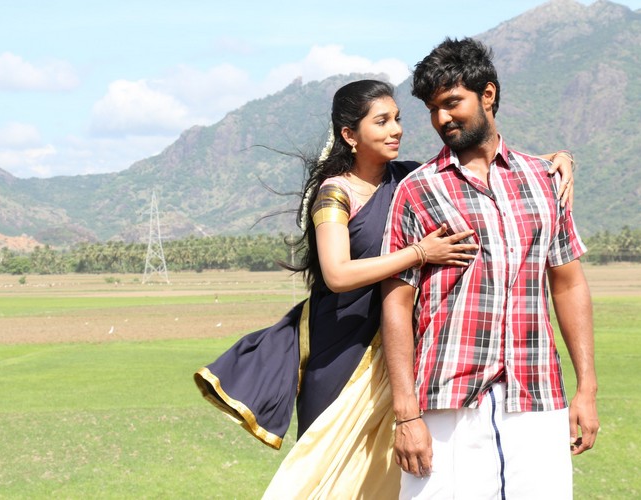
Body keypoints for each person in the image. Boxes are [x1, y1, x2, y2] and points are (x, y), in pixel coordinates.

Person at [194, 79, 575, 498]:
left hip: (401, 349)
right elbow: (337, 274)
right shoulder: (335, 193)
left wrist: (557, 159)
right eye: (381, 122)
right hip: (343, 347)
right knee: (331, 472)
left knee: (392, 478)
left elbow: (481, 160)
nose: (396, 130)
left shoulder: (408, 177)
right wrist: (419, 253)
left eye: (397, 119)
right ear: (349, 135)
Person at [380, 37, 598, 499]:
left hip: (537, 393)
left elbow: (568, 284)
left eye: (452, 102)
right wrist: (406, 413)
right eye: (433, 109)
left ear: (488, 95)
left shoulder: (545, 180)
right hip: (446, 399)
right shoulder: (417, 190)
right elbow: (396, 304)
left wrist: (587, 388)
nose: (442, 118)